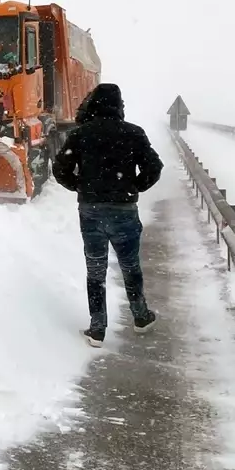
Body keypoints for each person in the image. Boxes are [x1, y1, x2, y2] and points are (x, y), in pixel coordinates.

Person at [52, 83, 164, 347]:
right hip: (124, 210)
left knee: (95, 269)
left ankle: (97, 328)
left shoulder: (81, 134)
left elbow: (60, 169)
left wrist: (80, 186)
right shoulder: (133, 133)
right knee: (130, 266)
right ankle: (141, 317)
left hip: (91, 211)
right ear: (119, 105)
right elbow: (154, 167)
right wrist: (134, 187)